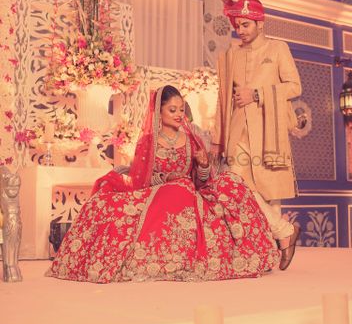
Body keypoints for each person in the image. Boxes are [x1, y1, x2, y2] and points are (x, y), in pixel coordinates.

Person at [47, 85, 279, 283]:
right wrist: (166, 179)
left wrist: (204, 164)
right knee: (168, 191)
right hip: (157, 195)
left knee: (232, 184)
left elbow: (203, 182)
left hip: (189, 194)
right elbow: (140, 181)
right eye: (172, 110)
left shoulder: (191, 139)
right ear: (159, 111)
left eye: (181, 110)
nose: (179, 114)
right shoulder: (149, 141)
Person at [212, 0, 301, 270]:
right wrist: (217, 139)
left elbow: (294, 86)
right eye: (238, 25)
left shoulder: (277, 49)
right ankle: (284, 231)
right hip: (237, 130)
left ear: (260, 23)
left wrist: (258, 94)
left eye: (247, 25)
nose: (241, 30)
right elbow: (223, 98)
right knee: (235, 182)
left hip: (267, 131)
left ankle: (269, 253)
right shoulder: (231, 55)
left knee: (270, 191)